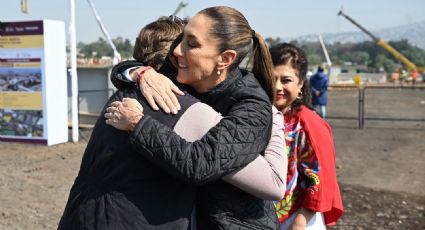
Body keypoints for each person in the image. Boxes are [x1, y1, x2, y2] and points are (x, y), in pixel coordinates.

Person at [59, 15, 286, 230]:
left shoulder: (124, 93)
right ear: (175, 59)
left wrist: (140, 72)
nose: (182, 51)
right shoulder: (180, 107)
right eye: (184, 46)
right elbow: (273, 183)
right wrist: (274, 117)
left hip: (83, 214)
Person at [269, 43, 344, 229]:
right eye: (272, 78)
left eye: (286, 80)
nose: (277, 87)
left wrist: (299, 223)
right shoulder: (262, 115)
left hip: (298, 219)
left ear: (300, 83)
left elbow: (320, 179)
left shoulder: (308, 122)